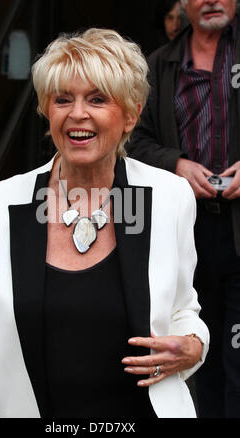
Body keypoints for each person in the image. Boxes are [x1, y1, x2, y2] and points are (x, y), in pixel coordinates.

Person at [0, 28, 209, 419]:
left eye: (97, 99)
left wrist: (194, 345)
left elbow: (184, 309)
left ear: (131, 115)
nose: (77, 114)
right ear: (47, 112)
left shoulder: (170, 198)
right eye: (62, 99)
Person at [126, 0, 240, 418]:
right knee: (195, 349)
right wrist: (175, 163)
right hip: (186, 232)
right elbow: (132, 138)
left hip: (238, 230)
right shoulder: (158, 65)